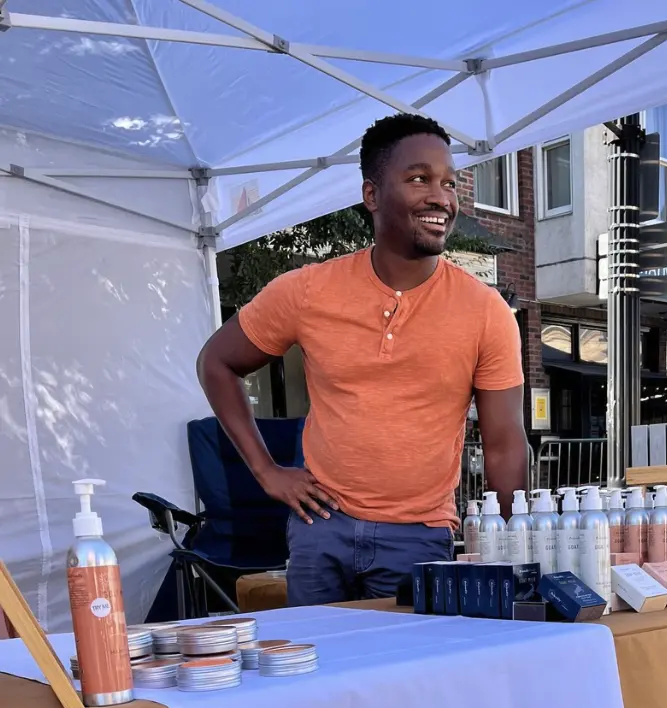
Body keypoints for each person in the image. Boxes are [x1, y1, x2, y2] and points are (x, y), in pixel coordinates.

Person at [196, 113, 528, 604]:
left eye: (449, 183)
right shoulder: (308, 291)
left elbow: (504, 446)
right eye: (419, 179)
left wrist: (509, 552)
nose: (441, 197)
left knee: (411, 678)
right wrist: (267, 472)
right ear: (371, 195)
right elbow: (216, 362)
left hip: (419, 535)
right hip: (321, 527)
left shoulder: (486, 312)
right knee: (322, 673)